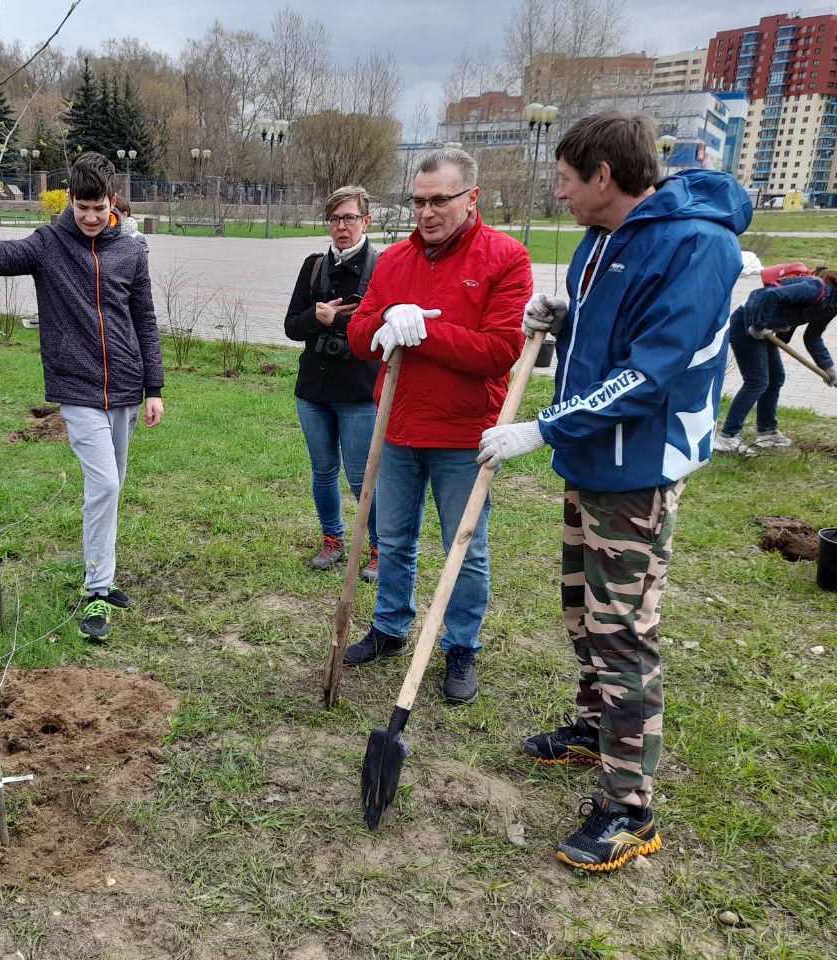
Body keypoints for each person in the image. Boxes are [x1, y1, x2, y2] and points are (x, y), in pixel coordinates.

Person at [478, 112, 750, 872]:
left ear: (603, 176)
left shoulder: (699, 246)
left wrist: (542, 428)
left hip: (639, 472)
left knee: (624, 631)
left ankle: (630, 807)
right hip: (591, 462)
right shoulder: (600, 242)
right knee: (582, 611)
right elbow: (607, 342)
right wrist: (564, 322)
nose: (556, 191)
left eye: (565, 178)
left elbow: (650, 369)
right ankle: (598, 726)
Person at [0, 152, 164, 642]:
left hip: (127, 390)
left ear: (112, 201)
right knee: (106, 486)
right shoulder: (50, 245)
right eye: (81, 207)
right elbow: (1, 255)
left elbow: (145, 321)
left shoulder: (130, 252)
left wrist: (154, 388)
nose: (90, 217)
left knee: (108, 491)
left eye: (98, 208)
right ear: (69, 200)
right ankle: (97, 590)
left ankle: (103, 577)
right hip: (78, 388)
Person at [344, 148, 532, 706]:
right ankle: (390, 625)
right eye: (419, 201)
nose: (426, 212)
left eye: (439, 201)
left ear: (471, 197)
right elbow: (358, 338)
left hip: (463, 435)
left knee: (464, 548)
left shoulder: (506, 258)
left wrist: (425, 332)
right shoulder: (395, 261)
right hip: (397, 427)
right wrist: (382, 321)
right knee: (394, 539)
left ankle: (460, 646)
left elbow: (500, 351)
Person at [284, 184, 382, 581]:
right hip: (313, 392)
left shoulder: (382, 268)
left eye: (350, 218)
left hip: (358, 392)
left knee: (362, 478)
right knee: (323, 472)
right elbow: (292, 326)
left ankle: (378, 548)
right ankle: (333, 540)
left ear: (366, 221)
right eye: (335, 219)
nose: (342, 226)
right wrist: (316, 318)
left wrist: (340, 321)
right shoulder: (313, 266)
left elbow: (385, 328)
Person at [712, 266, 837, 456]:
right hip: (747, 322)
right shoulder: (815, 288)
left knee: (776, 378)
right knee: (757, 381)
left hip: (767, 329)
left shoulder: (832, 306)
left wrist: (829, 368)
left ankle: (766, 432)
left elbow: (812, 337)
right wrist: (759, 325)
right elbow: (771, 295)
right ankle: (727, 437)